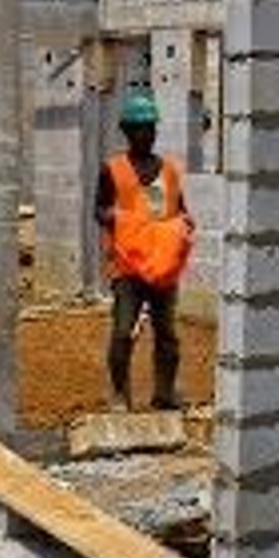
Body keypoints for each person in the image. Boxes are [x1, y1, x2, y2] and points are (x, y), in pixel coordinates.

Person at [95, 90, 194, 412]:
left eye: (150, 128)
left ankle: (164, 394)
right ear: (126, 131)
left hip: (162, 269)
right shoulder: (112, 169)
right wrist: (122, 220)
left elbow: (179, 210)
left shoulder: (169, 171)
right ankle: (120, 394)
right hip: (128, 268)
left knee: (167, 337)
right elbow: (99, 210)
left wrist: (182, 227)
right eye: (139, 128)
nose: (145, 134)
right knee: (124, 332)